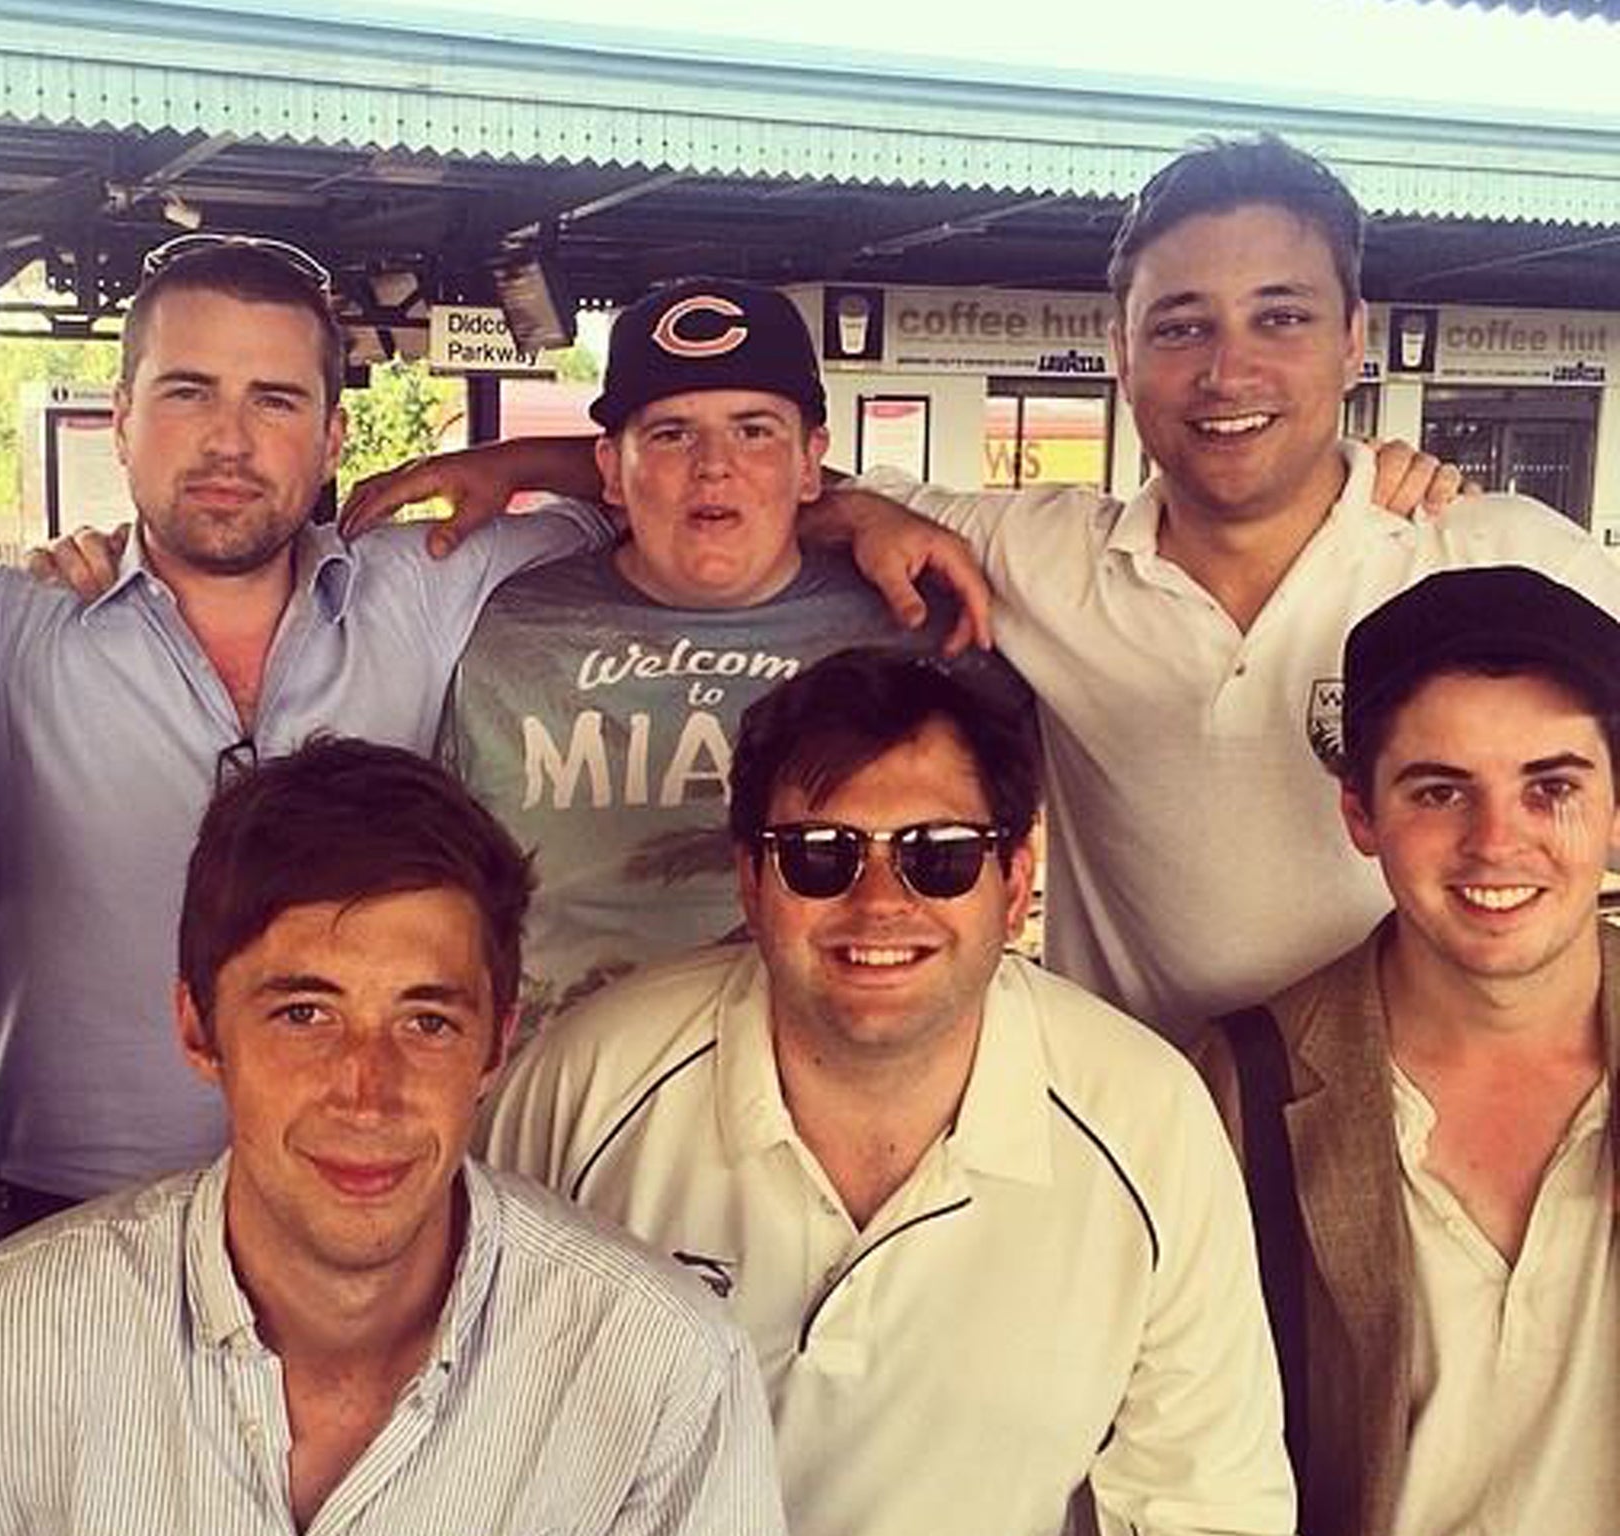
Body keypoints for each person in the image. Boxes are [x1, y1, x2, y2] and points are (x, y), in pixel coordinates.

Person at [350, 133, 1596, 1045]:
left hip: (1433, 1107)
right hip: (1130, 1118)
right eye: (1178, 325)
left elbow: (772, 474)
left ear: (1352, 337)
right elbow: (770, 481)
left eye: (1277, 317)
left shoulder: (1490, 562)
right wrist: (527, 461)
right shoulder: (1037, 560)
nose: (1228, 370)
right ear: (1119, 351)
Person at [0, 250, 988, 1245]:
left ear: (332, 438)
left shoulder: (434, 580)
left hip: (379, 1188)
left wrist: (849, 509)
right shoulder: (1, 632)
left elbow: (667, 494)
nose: (230, 440)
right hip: (76, 1211)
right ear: (119, 419)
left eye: (276, 401)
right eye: (188, 393)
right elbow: (638, 476)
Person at [0, 739, 786, 1536]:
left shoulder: (661, 1367)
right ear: (200, 1029)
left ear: (497, 1044)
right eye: (303, 1015)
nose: (366, 1092)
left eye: (427, 1022)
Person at [485, 648, 1292, 1536]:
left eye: (938, 856)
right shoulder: (587, 1084)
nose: (878, 903)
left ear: (1015, 881)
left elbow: (1206, 1505)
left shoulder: (1147, 1120)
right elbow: (474, 1429)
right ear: (752, 883)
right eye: (819, 856)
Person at [439, 277, 1025, 1032]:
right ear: (611, 470)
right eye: (671, 434)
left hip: (836, 1073)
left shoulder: (922, 631)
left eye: (755, 431)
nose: (714, 466)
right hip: (555, 1090)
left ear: (812, 463)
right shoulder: (498, 631)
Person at [1193, 567, 1620, 1536]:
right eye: (1437, 791)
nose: (1493, 842)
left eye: (1549, 786)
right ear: (1359, 815)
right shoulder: (1238, 1089)